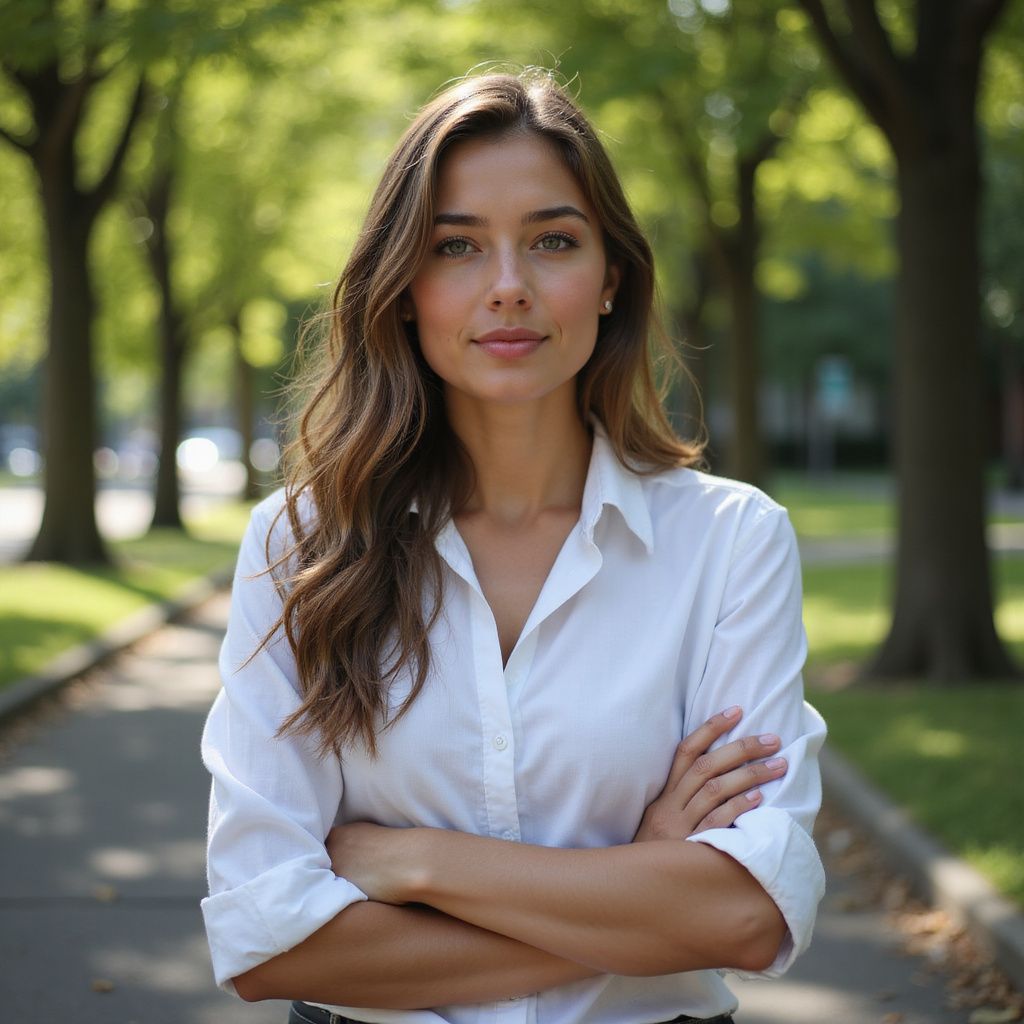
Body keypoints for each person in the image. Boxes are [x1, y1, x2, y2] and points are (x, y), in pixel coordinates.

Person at [200, 69, 827, 1024]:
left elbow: (744, 915)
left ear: (611, 278)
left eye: (552, 241)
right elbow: (265, 940)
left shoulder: (730, 543)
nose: (508, 287)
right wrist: (639, 886)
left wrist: (413, 862)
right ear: (403, 287)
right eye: (456, 246)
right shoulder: (301, 545)